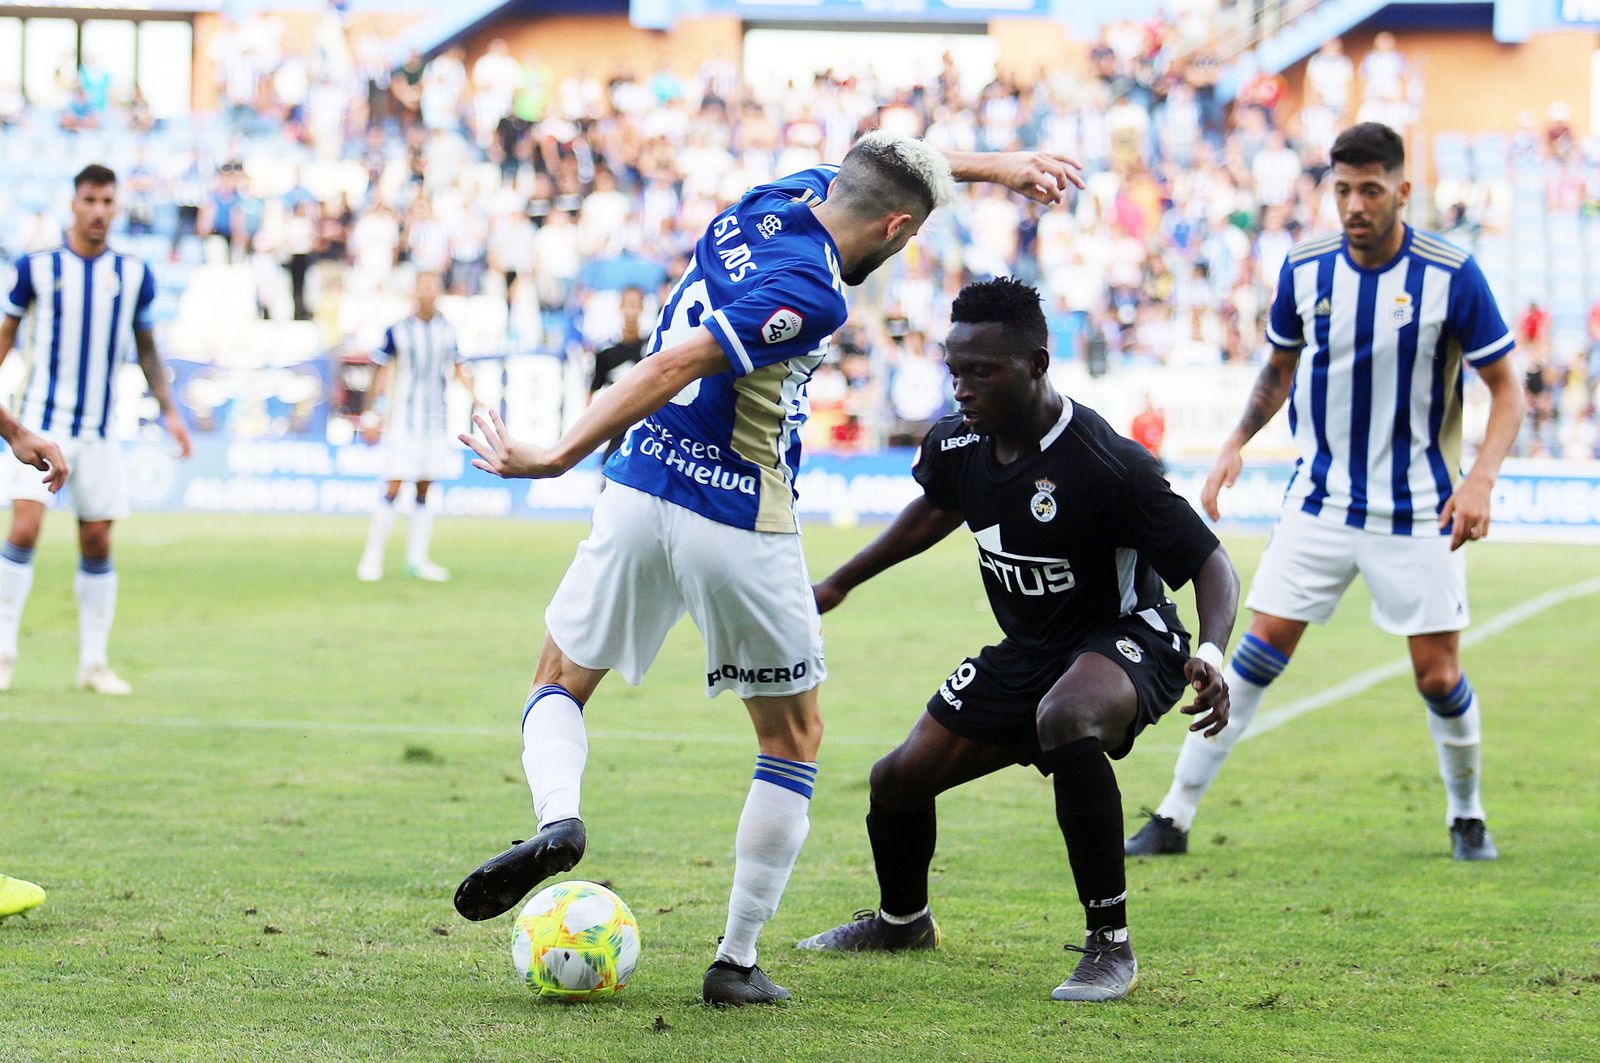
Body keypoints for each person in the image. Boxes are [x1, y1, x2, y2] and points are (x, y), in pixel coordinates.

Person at [451, 133, 1083, 1006]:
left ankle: (559, 816)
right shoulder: (813, 292)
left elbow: (892, 162)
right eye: (911, 232)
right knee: (792, 737)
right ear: (897, 228)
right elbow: (674, 361)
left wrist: (997, 169)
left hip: (636, 486)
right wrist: (555, 454)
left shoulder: (769, 198)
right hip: (738, 513)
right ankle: (736, 959)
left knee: (557, 679)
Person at [791, 278, 1238, 1003]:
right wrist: (837, 584)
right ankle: (903, 922)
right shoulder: (959, 440)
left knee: (1067, 715)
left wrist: (1211, 654)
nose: (962, 388)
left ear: (1036, 363)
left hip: (1131, 638)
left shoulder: (1109, 463)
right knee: (896, 781)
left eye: (982, 371)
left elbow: (1212, 564)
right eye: (954, 370)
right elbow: (936, 509)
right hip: (1030, 651)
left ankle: (1110, 945)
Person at [1126, 123, 1526, 862]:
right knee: (1255, 655)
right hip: (1320, 501)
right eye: (1343, 190)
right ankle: (1174, 815)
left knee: (1438, 675)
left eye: (1371, 189)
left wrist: (1481, 478)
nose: (1355, 205)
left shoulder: (1451, 273)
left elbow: (1508, 387)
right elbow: (1278, 370)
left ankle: (1467, 815)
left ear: (1402, 190)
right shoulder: (1305, 269)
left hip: (1418, 509)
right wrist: (1235, 442)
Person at [0, 164, 192, 695]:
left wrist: (170, 412)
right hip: (41, 421)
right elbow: (7, 335)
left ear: (117, 206)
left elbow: (147, 349)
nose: (99, 211)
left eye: (108, 202)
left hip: (103, 428)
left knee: (97, 539)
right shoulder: (37, 267)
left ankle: (93, 663)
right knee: (24, 528)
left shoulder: (134, 274)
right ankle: (3, 653)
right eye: (90, 200)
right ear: (74, 204)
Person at [357, 271, 478, 583]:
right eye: (423, 287)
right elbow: (379, 371)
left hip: (434, 422)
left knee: (425, 487)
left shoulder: (447, 330)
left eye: (433, 287)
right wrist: (372, 414)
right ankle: (372, 558)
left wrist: (477, 397)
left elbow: (457, 367)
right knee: (394, 485)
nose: (428, 292)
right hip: (403, 421)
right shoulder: (398, 330)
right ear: (414, 291)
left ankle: (417, 559)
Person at [587, 285, 648, 460]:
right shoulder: (606, 352)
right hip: (617, 424)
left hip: (645, 426)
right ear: (620, 307)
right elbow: (593, 391)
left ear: (642, 308)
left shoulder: (652, 348)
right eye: (628, 304)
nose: (631, 311)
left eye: (636, 305)